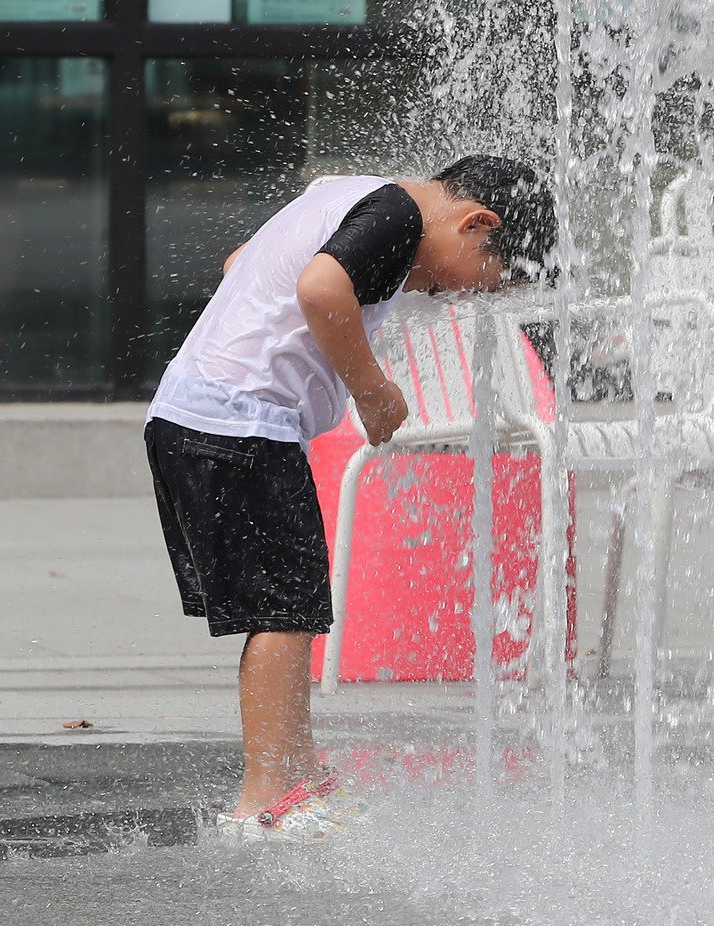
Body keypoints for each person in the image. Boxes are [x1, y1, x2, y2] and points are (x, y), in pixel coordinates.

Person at [143, 156, 557, 841]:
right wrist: (371, 390)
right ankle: (266, 798)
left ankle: (298, 777)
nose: (454, 297)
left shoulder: (349, 196)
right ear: (476, 223)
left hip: (209, 418)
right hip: (237, 424)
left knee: (294, 606)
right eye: (480, 277)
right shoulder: (399, 215)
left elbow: (242, 262)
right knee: (282, 612)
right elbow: (320, 286)